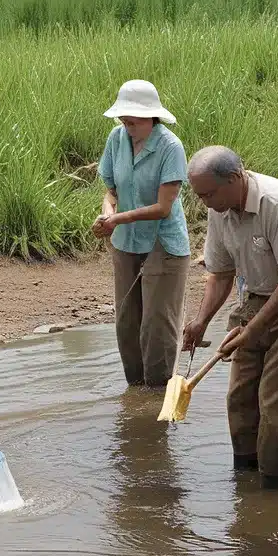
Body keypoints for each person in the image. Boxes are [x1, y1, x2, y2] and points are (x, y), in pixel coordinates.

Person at [182, 146, 278, 488]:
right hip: (252, 300)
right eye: (199, 195)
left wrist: (253, 329)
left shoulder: (277, 205)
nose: (204, 203)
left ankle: (276, 492)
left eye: (209, 194)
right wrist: (201, 321)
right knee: (240, 399)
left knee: (277, 407)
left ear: (235, 178)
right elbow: (221, 273)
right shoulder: (219, 206)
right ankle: (244, 481)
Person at [93, 80, 190, 387]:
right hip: (125, 242)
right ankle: (135, 390)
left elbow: (163, 207)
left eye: (133, 120)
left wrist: (117, 219)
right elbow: (110, 191)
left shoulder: (170, 147)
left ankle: (156, 394)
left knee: (156, 325)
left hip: (163, 243)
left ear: (151, 117)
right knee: (127, 322)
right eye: (124, 119)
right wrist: (108, 213)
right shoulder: (117, 138)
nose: (127, 124)